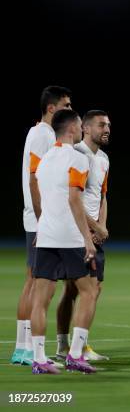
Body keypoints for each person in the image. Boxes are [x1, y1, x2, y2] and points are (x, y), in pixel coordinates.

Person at [30, 109, 98, 374]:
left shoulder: (45, 159)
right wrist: (87, 239)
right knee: (89, 292)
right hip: (69, 237)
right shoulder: (78, 159)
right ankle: (75, 354)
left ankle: (39, 359)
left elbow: (42, 194)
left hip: (46, 235)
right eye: (81, 125)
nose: (82, 129)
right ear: (72, 129)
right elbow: (73, 200)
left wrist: (41, 226)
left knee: (41, 300)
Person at [11, 86, 72, 367]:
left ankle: (24, 347)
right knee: (35, 281)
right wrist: (43, 218)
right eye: (66, 105)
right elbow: (35, 179)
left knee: (35, 281)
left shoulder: (45, 134)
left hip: (41, 218)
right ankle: (23, 348)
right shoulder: (41, 135)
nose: (70, 110)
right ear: (51, 108)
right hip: (40, 219)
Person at [55, 110, 111, 362]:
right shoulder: (76, 154)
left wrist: (101, 225)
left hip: (94, 233)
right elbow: (71, 198)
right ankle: (67, 346)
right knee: (76, 290)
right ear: (86, 128)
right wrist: (93, 228)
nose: (107, 129)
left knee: (91, 288)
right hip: (75, 231)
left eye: (108, 124)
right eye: (101, 125)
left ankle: (75, 345)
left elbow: (102, 196)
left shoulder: (104, 159)